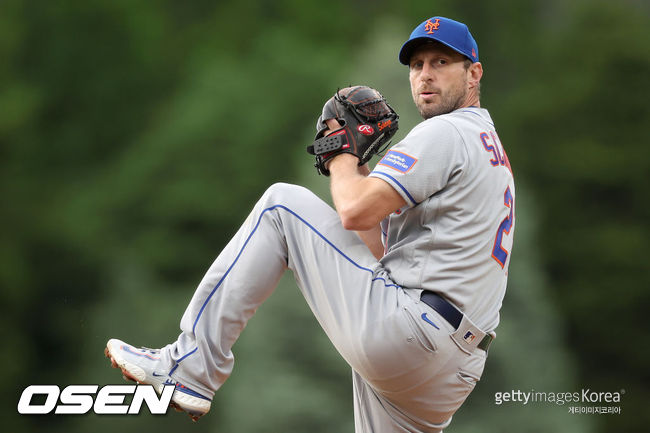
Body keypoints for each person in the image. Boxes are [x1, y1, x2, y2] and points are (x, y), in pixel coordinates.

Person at [105, 16, 515, 432]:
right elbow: (379, 249)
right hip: (454, 369)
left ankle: (189, 367)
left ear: (473, 72)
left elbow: (353, 211)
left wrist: (341, 154)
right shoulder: (488, 147)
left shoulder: (445, 132)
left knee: (280, 207)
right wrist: (359, 168)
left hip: (413, 332)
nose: (425, 75)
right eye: (416, 65)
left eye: (441, 62)